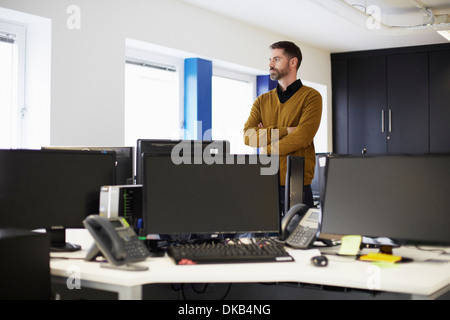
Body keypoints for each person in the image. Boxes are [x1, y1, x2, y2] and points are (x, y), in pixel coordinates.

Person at [243, 41, 322, 215]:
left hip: (297, 186)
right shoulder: (262, 100)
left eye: (276, 59)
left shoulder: (311, 97)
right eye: (270, 59)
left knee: (297, 240)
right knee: (265, 242)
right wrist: (286, 131)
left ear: (292, 62)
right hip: (264, 184)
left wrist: (266, 147)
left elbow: (302, 137)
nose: (271, 64)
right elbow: (248, 137)